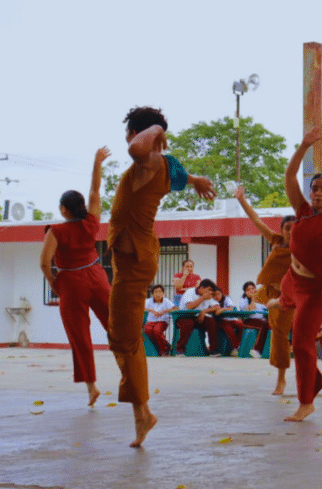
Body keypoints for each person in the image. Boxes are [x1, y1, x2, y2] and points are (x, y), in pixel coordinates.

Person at [107, 106, 215, 446]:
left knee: (124, 339)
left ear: (136, 132)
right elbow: (184, 177)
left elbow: (138, 148)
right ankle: (142, 413)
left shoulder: (150, 160)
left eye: (129, 131)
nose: (127, 138)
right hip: (133, 259)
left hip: (136, 259)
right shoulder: (166, 165)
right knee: (120, 337)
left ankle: (143, 413)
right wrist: (197, 181)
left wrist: (154, 127)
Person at [269, 126, 322, 422]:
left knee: (302, 344)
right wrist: (304, 145)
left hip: (316, 289)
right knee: (284, 298)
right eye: (314, 188)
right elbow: (289, 175)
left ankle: (306, 401)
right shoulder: (302, 211)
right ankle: (282, 301)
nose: (317, 193)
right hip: (292, 279)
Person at [39, 147, 112, 407]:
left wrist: (54, 283)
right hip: (96, 274)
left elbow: (44, 263)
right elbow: (95, 189)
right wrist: (97, 161)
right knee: (115, 324)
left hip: (71, 281)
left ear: (62, 209)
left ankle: (92, 387)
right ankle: (131, 371)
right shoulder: (91, 222)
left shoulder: (56, 230)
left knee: (79, 335)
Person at [235, 184, 295, 392]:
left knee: (279, 334)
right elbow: (256, 220)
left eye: (295, 229)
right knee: (274, 329)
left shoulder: (302, 248)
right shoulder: (276, 240)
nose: (291, 232)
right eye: (287, 228)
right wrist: (241, 199)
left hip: (287, 296)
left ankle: (281, 378)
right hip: (266, 292)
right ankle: (279, 375)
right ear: (282, 230)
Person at [176, 279, 221, 356]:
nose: (210, 292)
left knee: (211, 322)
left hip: (198, 318)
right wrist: (202, 298)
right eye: (209, 289)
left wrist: (204, 311)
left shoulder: (209, 296)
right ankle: (180, 350)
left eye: (212, 290)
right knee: (188, 323)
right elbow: (189, 306)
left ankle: (213, 350)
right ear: (202, 288)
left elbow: (217, 306)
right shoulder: (190, 292)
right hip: (184, 317)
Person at [143, 285, 175, 356]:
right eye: (155, 292)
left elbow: (175, 308)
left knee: (157, 331)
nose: (158, 294)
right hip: (151, 321)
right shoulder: (148, 301)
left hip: (162, 321)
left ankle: (163, 350)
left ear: (163, 293)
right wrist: (151, 311)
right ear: (152, 294)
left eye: (160, 292)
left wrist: (164, 311)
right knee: (147, 329)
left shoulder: (166, 301)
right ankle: (166, 344)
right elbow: (140, 306)